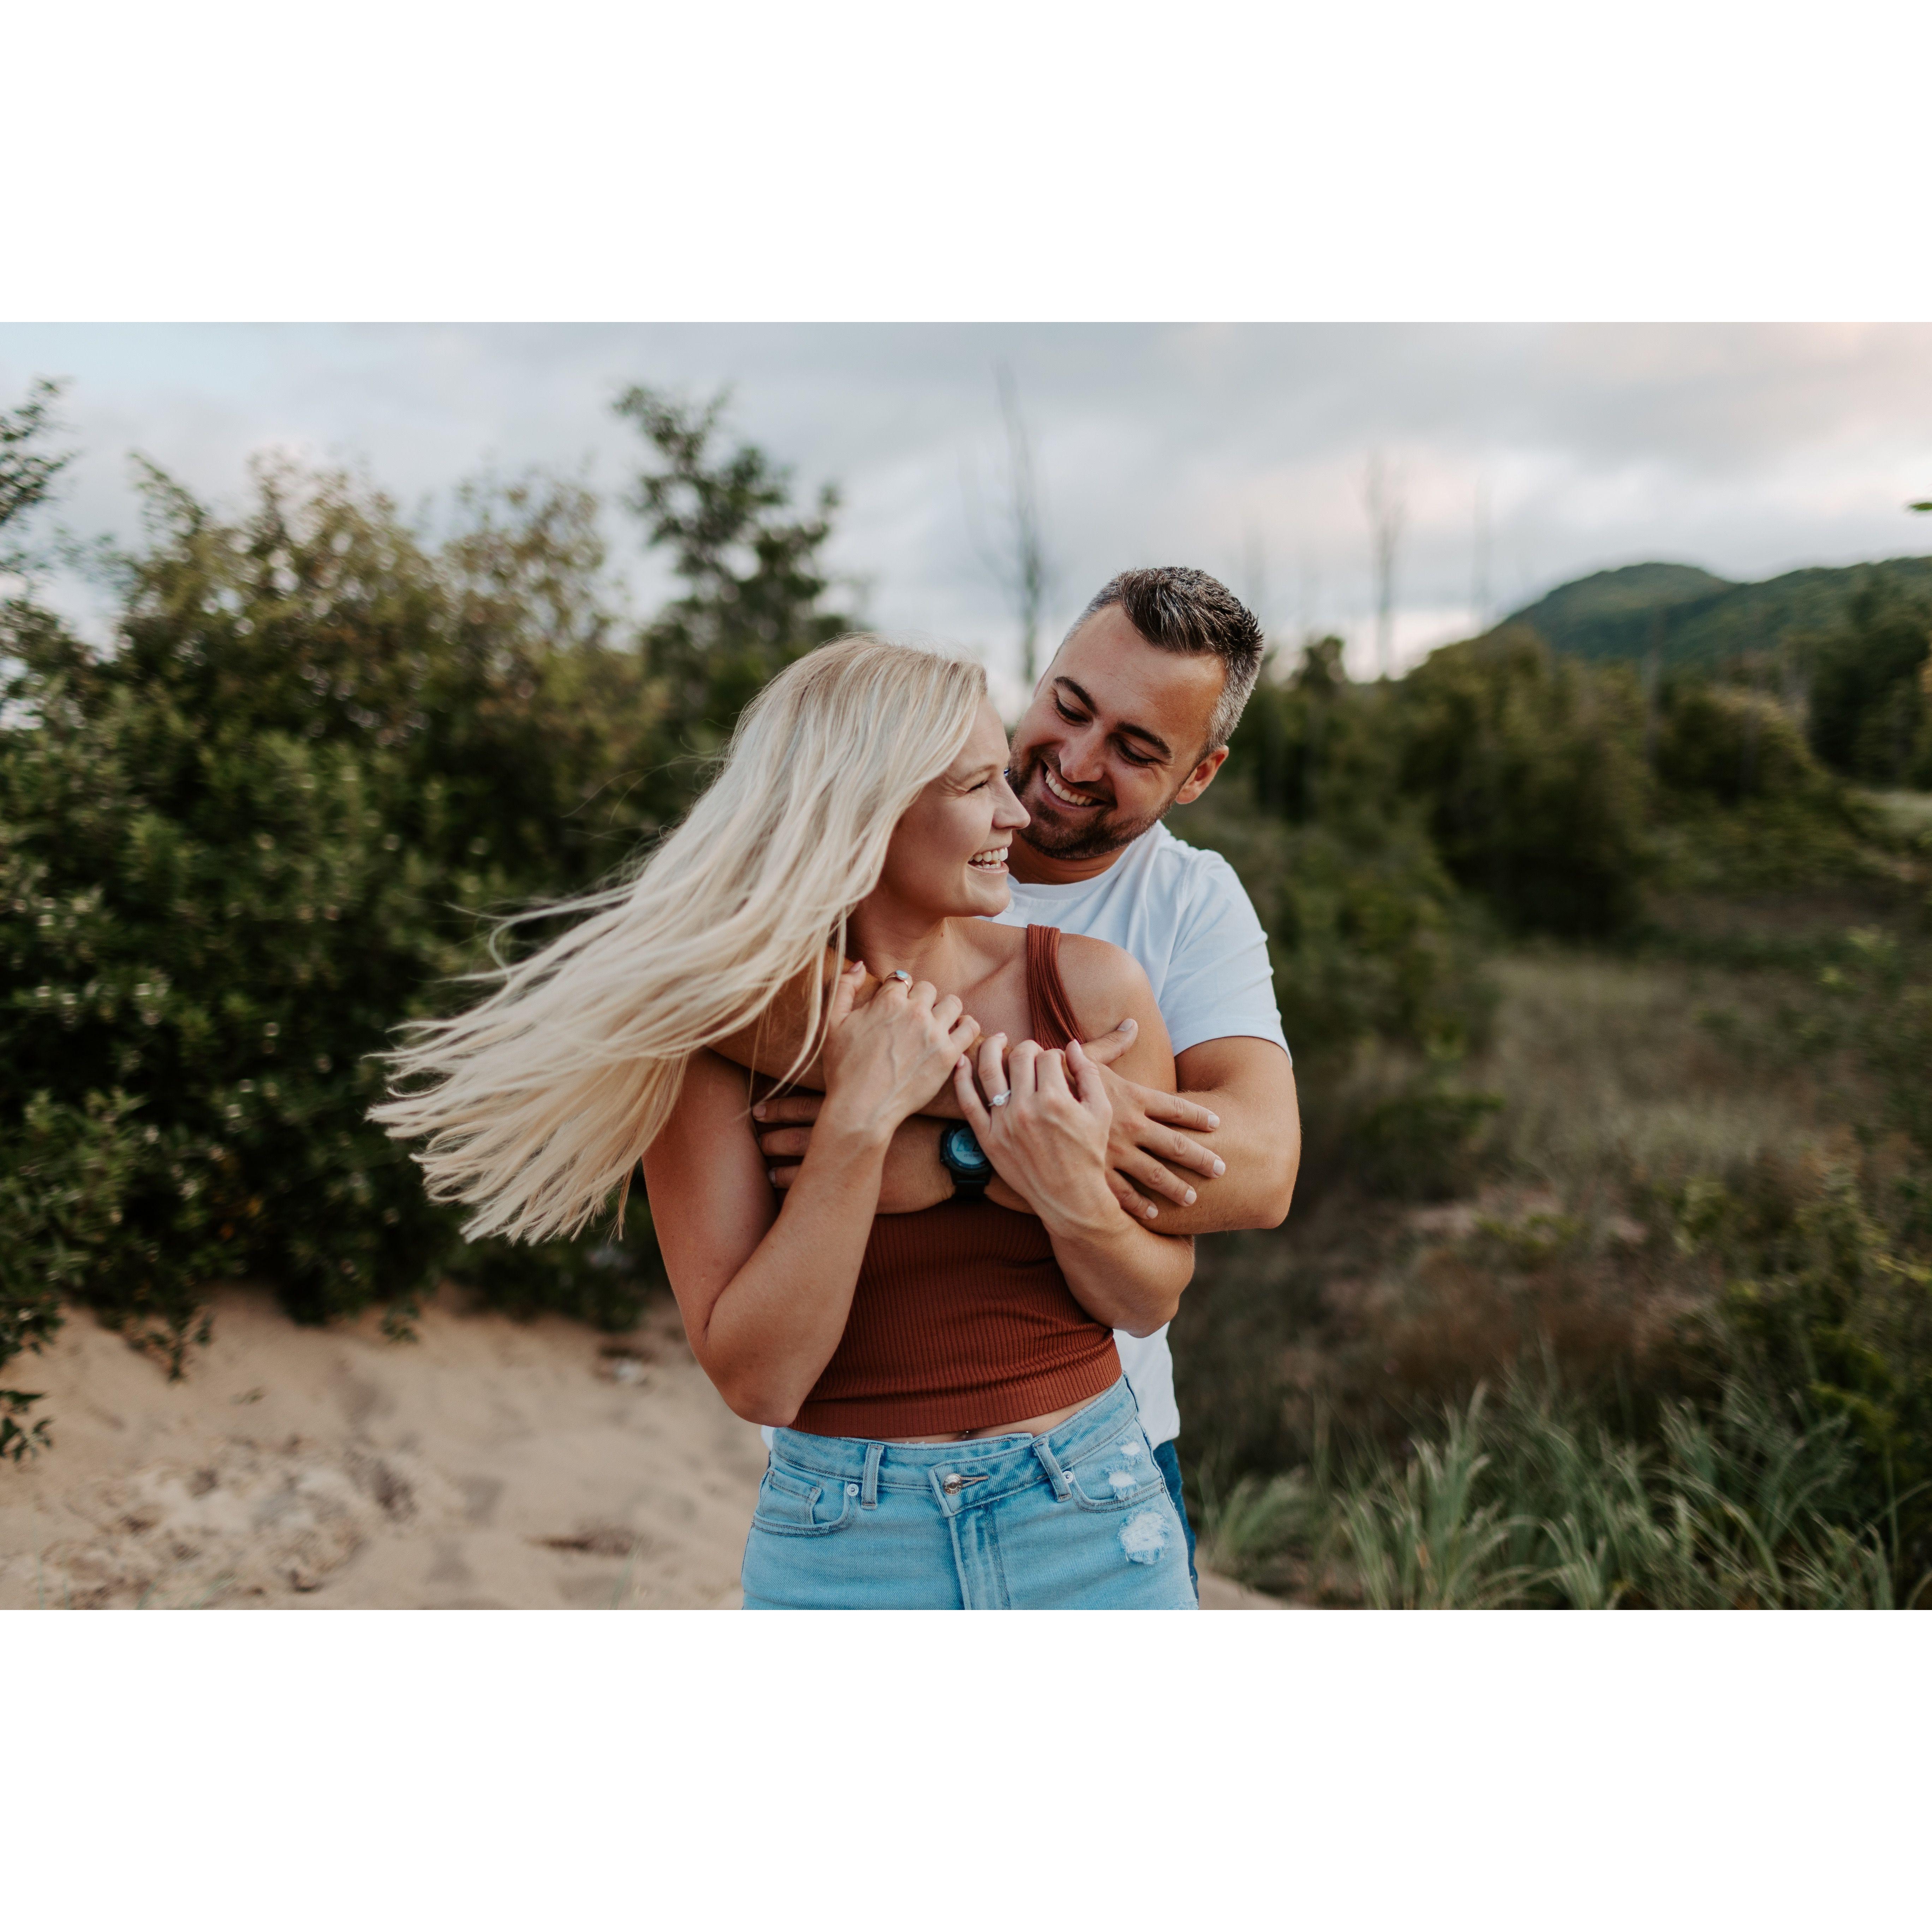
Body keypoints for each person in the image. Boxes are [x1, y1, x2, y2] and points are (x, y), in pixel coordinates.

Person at [374, 634, 1199, 1609]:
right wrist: (858, 1126)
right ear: (865, 811)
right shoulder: (714, 1043)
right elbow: (759, 1382)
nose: (1016, 814)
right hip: (846, 1540)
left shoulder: (1089, 991)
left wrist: (1028, 1175)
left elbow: (1147, 1299)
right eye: (976, 785)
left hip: (1093, 1513)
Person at [737, 567, 1300, 1594]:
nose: (1074, 764)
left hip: (1103, 1451)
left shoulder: (1185, 905)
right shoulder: (828, 896)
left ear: (1199, 774)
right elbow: (738, 1014)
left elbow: (1259, 1170)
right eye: (1069, 707)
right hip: (854, 1477)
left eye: (1136, 750)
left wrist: (959, 1150)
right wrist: (1044, 1107)